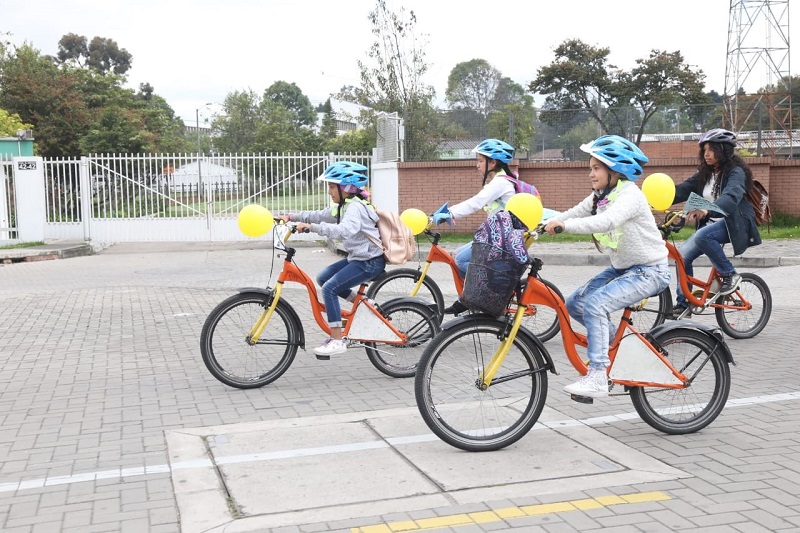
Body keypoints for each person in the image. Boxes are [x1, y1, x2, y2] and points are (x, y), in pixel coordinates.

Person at [543, 135, 671, 398]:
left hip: (650, 271)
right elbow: (574, 212)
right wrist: (547, 223)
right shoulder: (601, 196)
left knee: (596, 305)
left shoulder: (630, 195)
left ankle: (599, 376)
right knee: (575, 303)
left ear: (615, 170)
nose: (590, 174)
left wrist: (565, 227)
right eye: (591, 168)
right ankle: (619, 345)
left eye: (596, 168)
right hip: (625, 268)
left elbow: (608, 222)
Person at [276, 161, 385, 358]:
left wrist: (312, 228)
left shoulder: (356, 208)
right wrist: (290, 216)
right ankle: (365, 304)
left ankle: (337, 339)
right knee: (323, 278)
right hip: (358, 258)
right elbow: (319, 215)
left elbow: (345, 231)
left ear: (347, 188)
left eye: (332, 186)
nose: (329, 191)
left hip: (369, 261)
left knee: (330, 288)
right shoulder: (343, 207)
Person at [670, 128, 762, 318]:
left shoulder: (736, 173)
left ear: (724, 150)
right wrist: (652, 199)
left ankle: (730, 274)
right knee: (681, 256)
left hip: (734, 224)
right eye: (704, 150)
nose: (707, 154)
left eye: (712, 149)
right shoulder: (705, 173)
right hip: (710, 224)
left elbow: (731, 196)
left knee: (704, 236)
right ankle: (684, 303)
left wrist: (706, 209)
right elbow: (682, 190)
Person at [432, 138, 520, 315]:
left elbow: (475, 202)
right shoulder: (501, 180)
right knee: (458, 255)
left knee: (461, 261)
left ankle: (484, 295)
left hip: (500, 240)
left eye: (480, 161)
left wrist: (450, 213)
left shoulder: (500, 182)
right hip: (497, 237)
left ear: (493, 162)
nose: (477, 165)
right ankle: (472, 297)